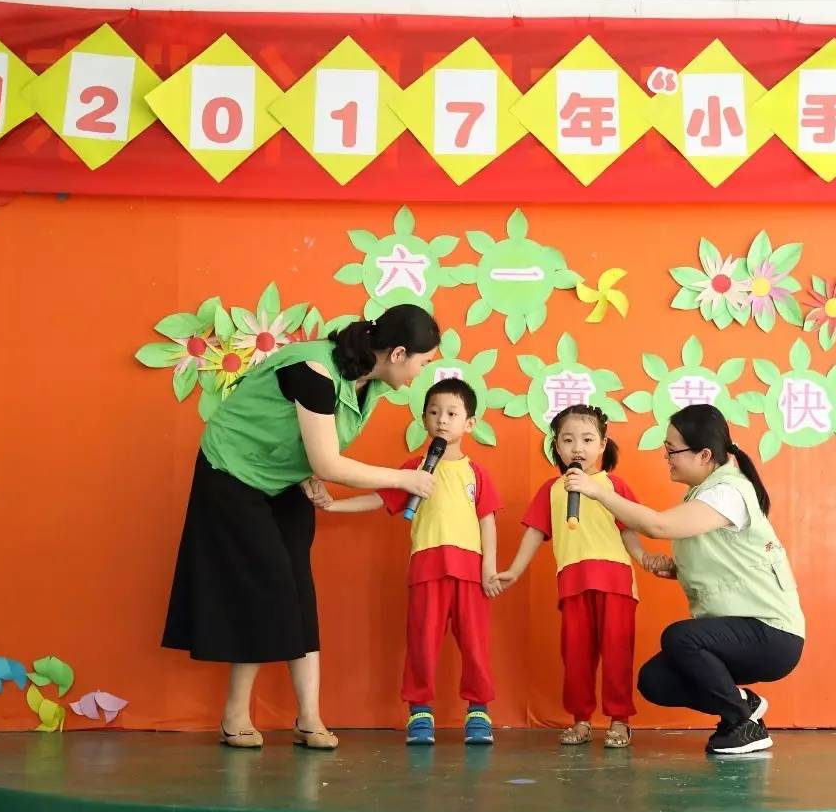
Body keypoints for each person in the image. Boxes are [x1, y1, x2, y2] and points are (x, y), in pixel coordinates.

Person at [161, 304, 440, 750]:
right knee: (267, 586)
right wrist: (402, 477)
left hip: (281, 478)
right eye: (422, 364)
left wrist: (306, 468)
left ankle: (308, 717)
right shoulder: (313, 370)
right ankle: (235, 714)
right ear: (398, 353)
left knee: (297, 587)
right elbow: (329, 461)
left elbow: (314, 443)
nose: (419, 374)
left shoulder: (366, 383)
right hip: (232, 473)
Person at [562, 404, 804, 756]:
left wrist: (598, 491)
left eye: (672, 450)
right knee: (656, 681)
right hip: (742, 630)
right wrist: (679, 569)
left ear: (704, 454)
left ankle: (742, 725)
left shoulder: (729, 492)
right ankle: (742, 704)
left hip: (772, 633)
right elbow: (726, 560)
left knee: (679, 638)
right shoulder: (705, 493)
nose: (667, 457)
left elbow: (659, 526)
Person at [309, 378, 502, 746]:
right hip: (427, 568)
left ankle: (478, 710)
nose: (442, 420)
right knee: (422, 643)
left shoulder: (477, 473)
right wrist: (334, 505)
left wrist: (488, 567)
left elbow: (487, 521)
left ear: (470, 423)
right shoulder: (414, 469)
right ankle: (420, 711)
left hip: (470, 571)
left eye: (451, 413)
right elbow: (383, 499)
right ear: (424, 420)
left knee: (476, 644)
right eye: (433, 413)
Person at [493, 405, 650, 749]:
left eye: (587, 439)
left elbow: (629, 532)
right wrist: (515, 571)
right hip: (574, 583)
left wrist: (645, 559)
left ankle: (620, 720)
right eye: (568, 440)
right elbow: (535, 532)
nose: (577, 447)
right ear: (557, 446)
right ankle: (581, 720)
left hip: (616, 582)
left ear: (602, 444)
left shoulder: (614, 485)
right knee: (576, 657)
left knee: (617, 655)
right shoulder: (552, 490)